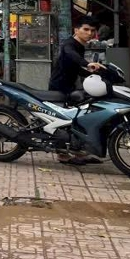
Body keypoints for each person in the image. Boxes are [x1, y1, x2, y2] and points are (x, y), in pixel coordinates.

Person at [49, 15, 105, 165]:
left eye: (92, 30)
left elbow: (75, 68)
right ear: (76, 30)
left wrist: (94, 74)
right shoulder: (69, 44)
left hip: (70, 85)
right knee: (62, 120)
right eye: (85, 29)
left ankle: (78, 150)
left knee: (78, 117)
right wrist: (87, 64)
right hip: (60, 86)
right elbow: (71, 55)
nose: (89, 33)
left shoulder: (80, 45)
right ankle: (62, 154)